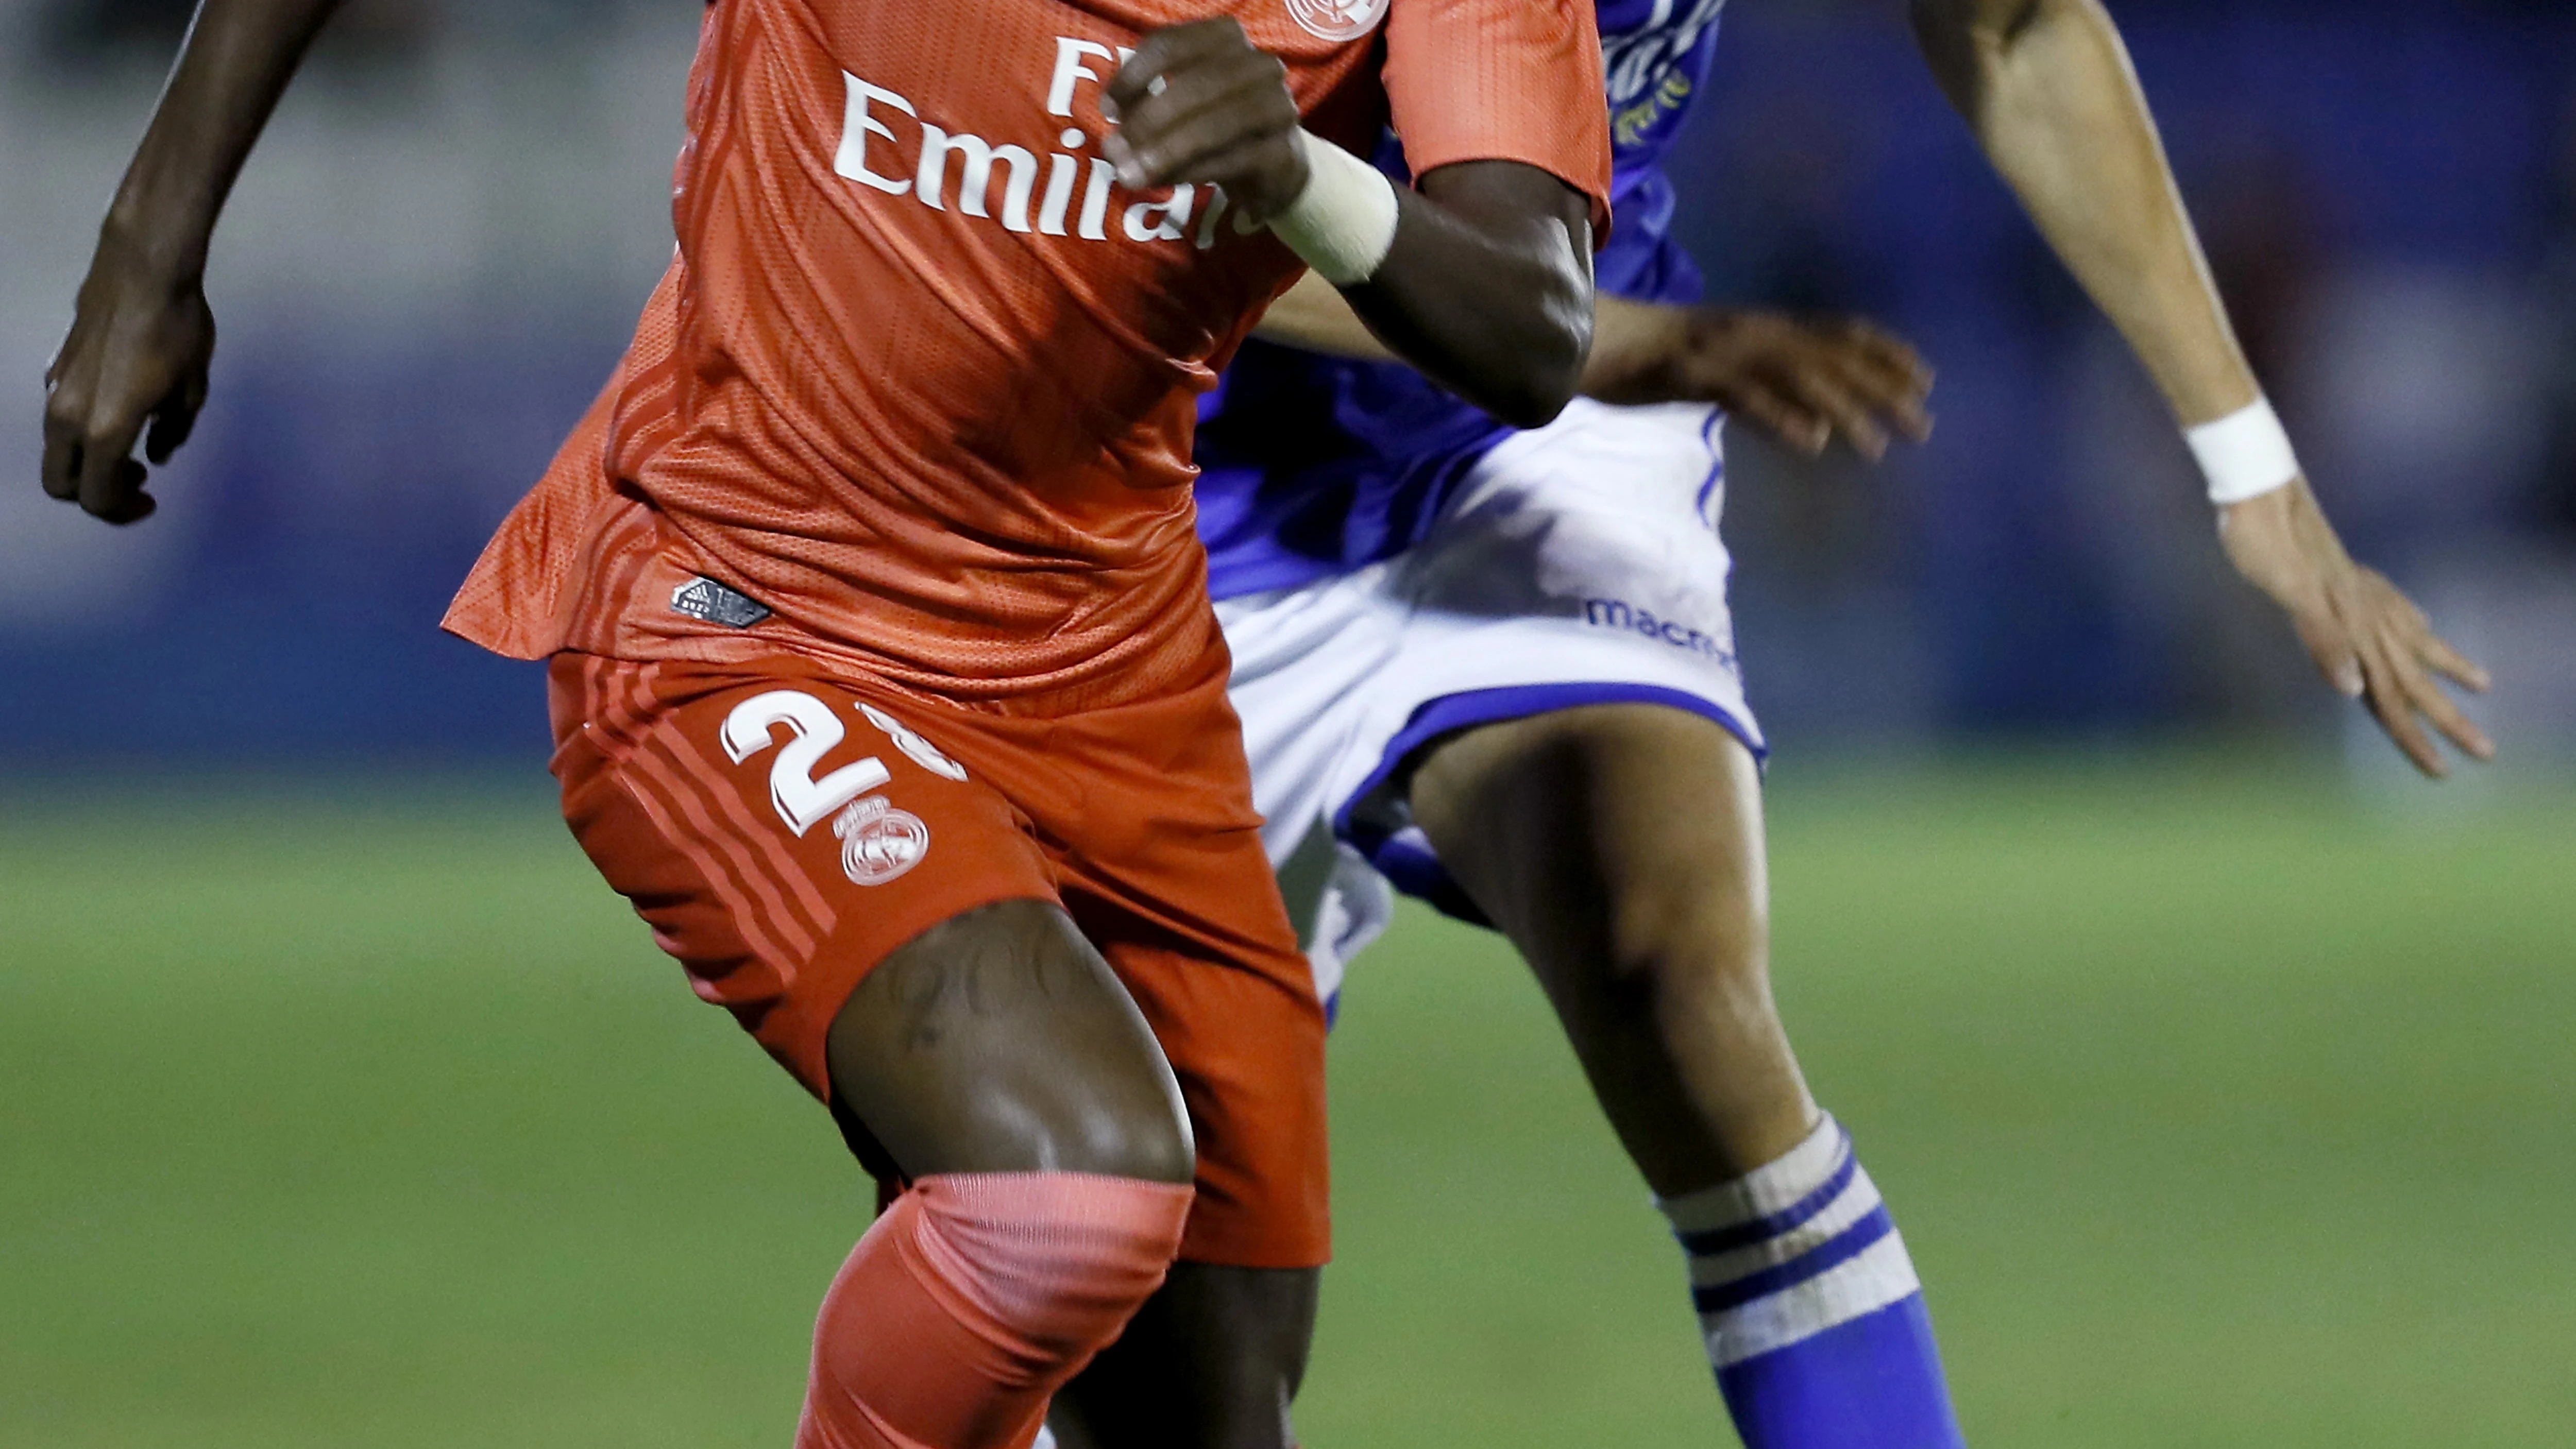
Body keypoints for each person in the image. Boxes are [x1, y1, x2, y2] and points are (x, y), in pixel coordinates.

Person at [37, 1, 1615, 1445]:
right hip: (743, 600)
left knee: (1208, 1412)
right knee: (1057, 1188)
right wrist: (149, 242)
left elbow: (1530, 323)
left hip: (1114, 674)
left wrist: (1298, 174)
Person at [1173, 1, 2497, 1446]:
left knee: (1672, 979)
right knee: (1173, 1306)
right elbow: (1129, 184)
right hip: (1164, 502)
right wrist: (1615, 343)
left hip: (1533, 454)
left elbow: (2015, 30)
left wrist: (2250, 467)